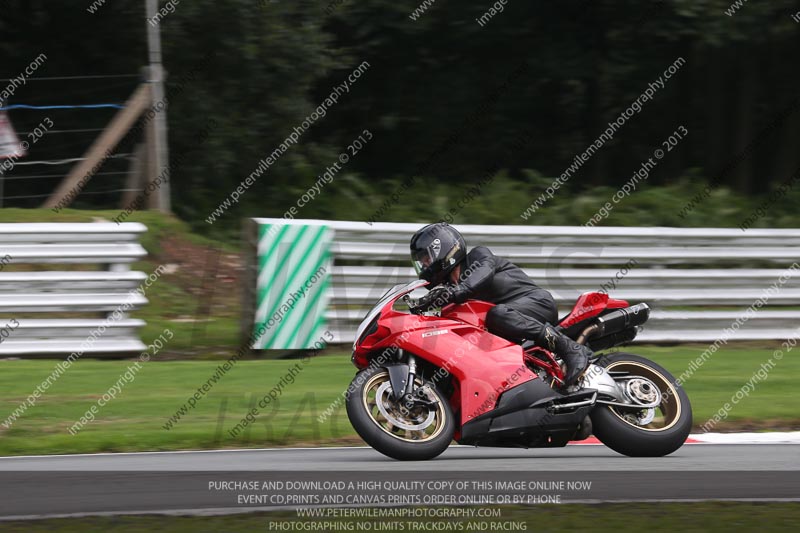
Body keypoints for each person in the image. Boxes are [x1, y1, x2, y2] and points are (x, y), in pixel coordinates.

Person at [410, 222, 592, 387]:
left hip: (538, 303)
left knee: (498, 314)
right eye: (421, 262)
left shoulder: (477, 257)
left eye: (426, 258)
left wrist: (455, 293)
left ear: (442, 248)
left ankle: (571, 349)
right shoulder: (450, 290)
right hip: (509, 324)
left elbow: (482, 274)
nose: (424, 265)